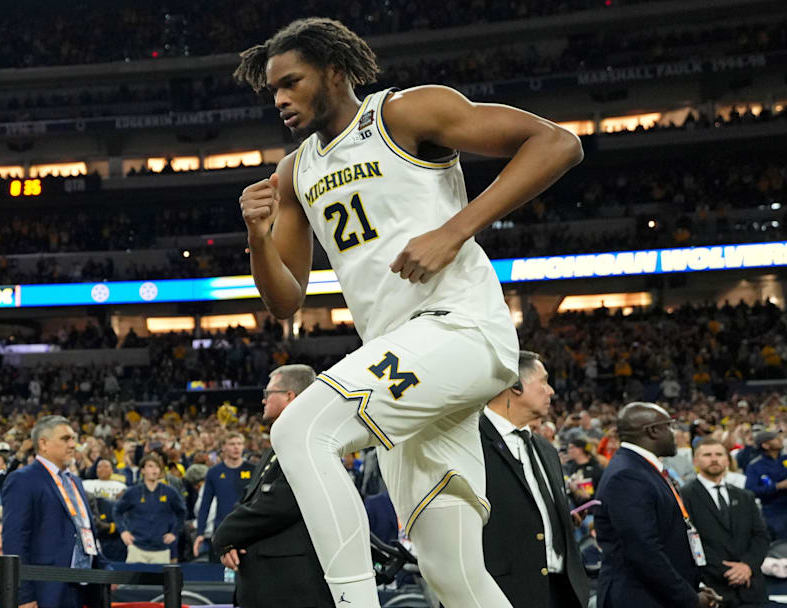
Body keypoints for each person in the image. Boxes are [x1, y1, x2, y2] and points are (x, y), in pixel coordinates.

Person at [233, 16, 582, 608]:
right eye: (273, 92)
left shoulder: (405, 113)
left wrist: (455, 230)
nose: (281, 99)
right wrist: (256, 235)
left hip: (461, 327)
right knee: (451, 572)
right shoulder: (295, 171)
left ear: (334, 71)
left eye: (291, 82)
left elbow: (558, 143)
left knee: (299, 430)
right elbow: (286, 300)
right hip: (402, 360)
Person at [212, 364, 333, 608]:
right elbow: (250, 498)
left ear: (290, 396)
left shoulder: (307, 440)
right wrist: (230, 543)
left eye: (269, 393)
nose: (263, 399)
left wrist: (224, 534)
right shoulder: (278, 443)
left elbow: (281, 503)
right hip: (266, 583)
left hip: (289, 587)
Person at [480, 351, 590, 608]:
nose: (551, 391)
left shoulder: (545, 448)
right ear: (515, 385)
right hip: (504, 593)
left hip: (560, 590)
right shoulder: (470, 442)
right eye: (544, 381)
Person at [594, 402, 719, 608]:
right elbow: (643, 550)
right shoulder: (628, 474)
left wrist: (692, 586)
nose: (674, 432)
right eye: (669, 426)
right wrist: (689, 598)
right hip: (640, 598)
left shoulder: (639, 467)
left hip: (656, 594)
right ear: (653, 431)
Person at [1, 416, 106, 608]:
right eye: (65, 439)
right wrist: (24, 595)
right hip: (46, 590)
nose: (73, 445)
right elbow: (15, 540)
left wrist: (103, 567)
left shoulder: (75, 482)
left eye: (74, 438)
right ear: (43, 444)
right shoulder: (22, 480)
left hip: (83, 587)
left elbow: (86, 530)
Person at [682, 438, 769, 608]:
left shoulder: (745, 496)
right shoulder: (684, 496)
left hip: (752, 588)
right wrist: (728, 572)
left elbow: (761, 536)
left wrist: (747, 566)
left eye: (719, 454)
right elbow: (688, 541)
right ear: (695, 461)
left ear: (727, 460)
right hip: (711, 588)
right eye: (707, 455)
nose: (714, 459)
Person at [114, 454, 186, 564]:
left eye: (157, 467)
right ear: (142, 470)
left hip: (161, 549)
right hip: (136, 547)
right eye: (150, 466)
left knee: (159, 581)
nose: (154, 470)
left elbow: (182, 512)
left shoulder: (170, 492)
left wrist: (174, 533)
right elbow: (117, 511)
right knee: (133, 581)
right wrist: (123, 531)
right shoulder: (133, 492)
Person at [193, 434, 252, 559]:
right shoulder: (214, 472)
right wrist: (200, 533)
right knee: (218, 575)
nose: (236, 447)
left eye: (239, 444)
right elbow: (205, 504)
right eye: (232, 444)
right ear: (223, 447)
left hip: (247, 530)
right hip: (222, 529)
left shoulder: (253, 470)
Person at [743, 430, 787, 540]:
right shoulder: (755, 466)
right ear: (765, 445)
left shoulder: (785, 458)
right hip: (774, 511)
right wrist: (777, 486)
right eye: (776, 439)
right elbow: (750, 490)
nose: (780, 440)